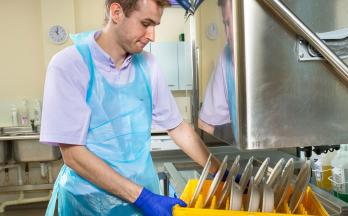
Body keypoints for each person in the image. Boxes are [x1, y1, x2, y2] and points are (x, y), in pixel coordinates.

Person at [40, 0, 220, 215]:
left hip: (138, 202)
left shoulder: (148, 65)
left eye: (155, 25)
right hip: (87, 204)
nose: (152, 35)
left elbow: (177, 127)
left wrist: (220, 172)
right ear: (116, 12)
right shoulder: (69, 65)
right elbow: (73, 154)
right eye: (145, 23)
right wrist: (143, 197)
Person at [198, 0, 237, 143]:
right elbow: (206, 124)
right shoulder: (226, 57)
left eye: (229, 23)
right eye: (225, 24)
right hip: (249, 156)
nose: (228, 35)